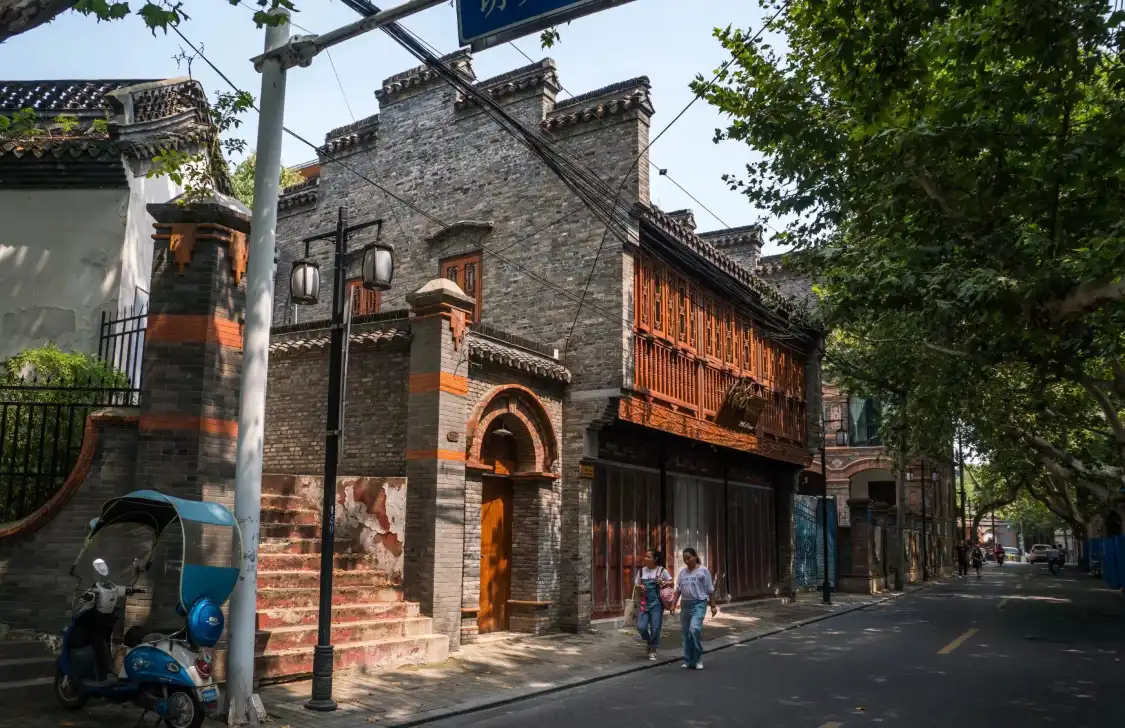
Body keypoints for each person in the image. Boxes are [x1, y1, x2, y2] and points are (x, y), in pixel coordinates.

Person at [671, 547, 718, 670]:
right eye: (684, 559)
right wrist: (673, 604)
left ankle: (698, 658)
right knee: (685, 634)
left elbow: (710, 590)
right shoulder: (682, 572)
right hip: (685, 604)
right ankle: (688, 660)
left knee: (694, 630)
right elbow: (678, 590)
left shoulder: (703, 571)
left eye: (689, 558)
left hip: (699, 604)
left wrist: (713, 606)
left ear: (695, 557)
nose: (687, 561)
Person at [633, 549, 672, 661]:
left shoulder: (661, 570)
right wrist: (639, 587)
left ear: (655, 559)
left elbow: (671, 581)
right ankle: (649, 642)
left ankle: (653, 650)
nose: (645, 558)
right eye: (645, 556)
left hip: (657, 603)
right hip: (644, 603)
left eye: (648, 557)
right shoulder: (641, 571)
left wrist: (663, 582)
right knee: (641, 627)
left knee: (655, 628)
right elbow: (635, 584)